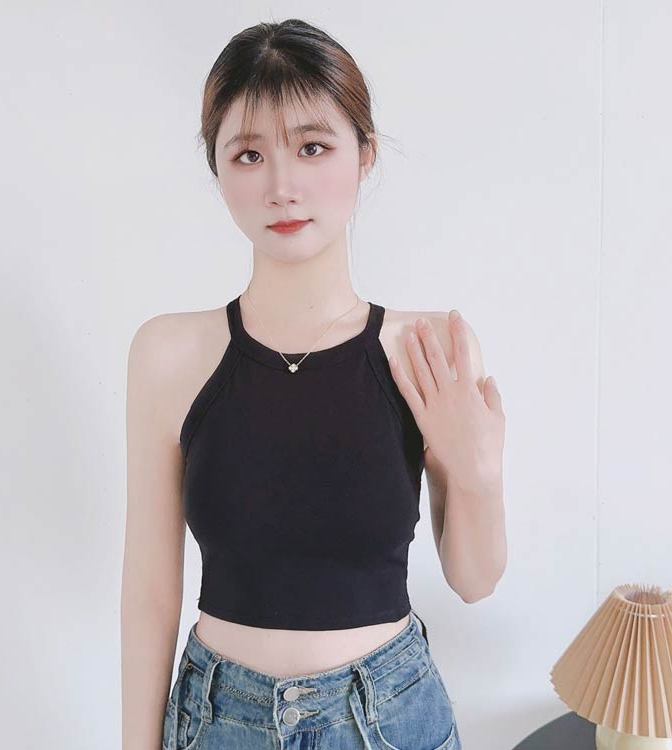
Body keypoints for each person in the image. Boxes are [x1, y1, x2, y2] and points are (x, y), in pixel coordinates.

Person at [122, 17, 506, 750]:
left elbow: (475, 580)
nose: (282, 187)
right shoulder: (168, 354)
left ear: (365, 155)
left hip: (389, 719)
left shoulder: (427, 348)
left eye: (312, 147)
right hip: (218, 722)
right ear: (218, 170)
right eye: (249, 154)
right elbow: (149, 593)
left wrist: (478, 471)